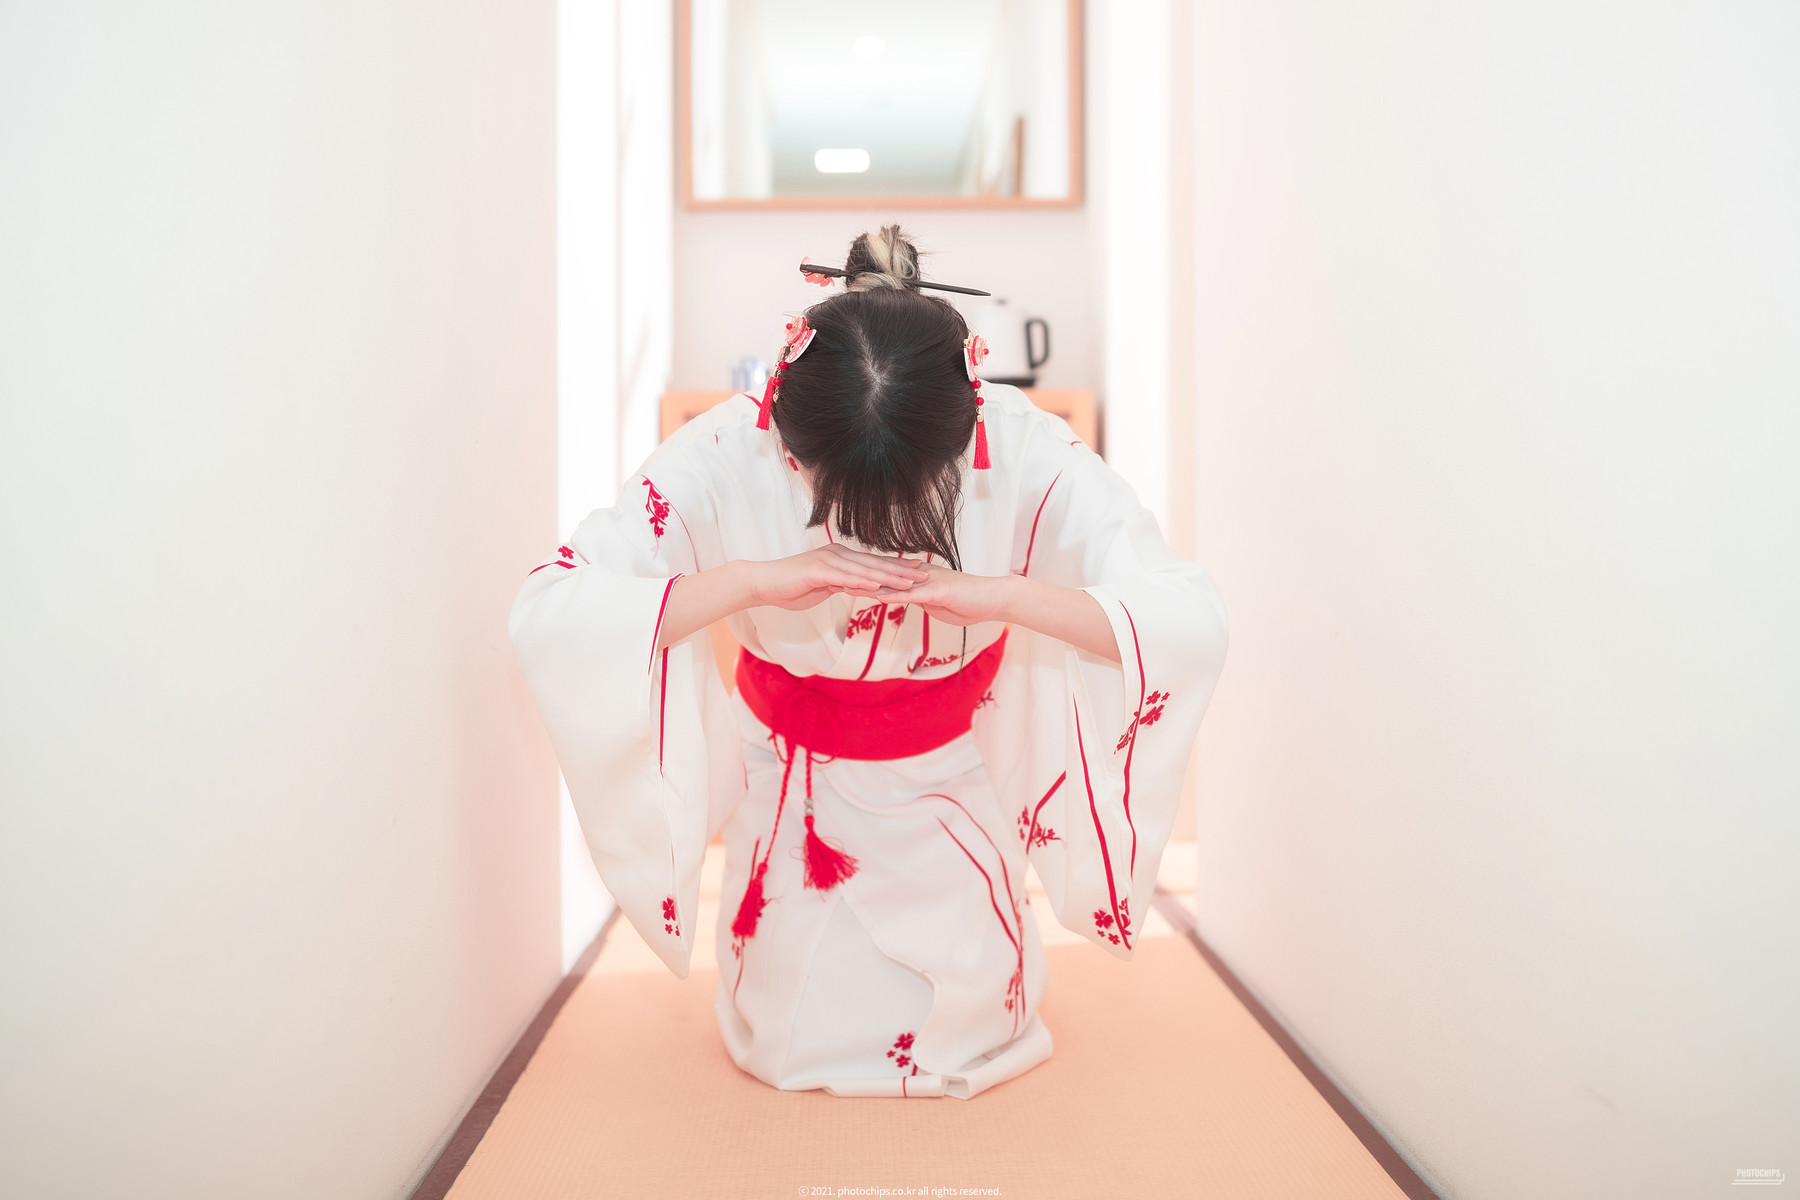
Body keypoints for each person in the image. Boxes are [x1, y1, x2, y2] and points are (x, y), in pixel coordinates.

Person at [509, 226, 1229, 1099]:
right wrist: (751, 583)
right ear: (787, 438)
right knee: (794, 1018)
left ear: (963, 434)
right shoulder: (727, 448)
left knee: (963, 1011)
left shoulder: (1018, 442)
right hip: (792, 775)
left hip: (951, 770)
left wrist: (1003, 596)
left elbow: (1184, 615)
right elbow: (556, 608)